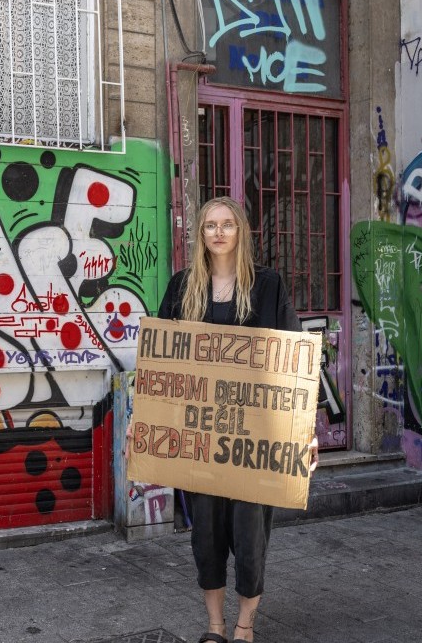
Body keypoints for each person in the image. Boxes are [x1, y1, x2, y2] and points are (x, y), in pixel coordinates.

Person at [152, 197, 318, 643]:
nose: (219, 233)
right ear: (200, 233)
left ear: (241, 230)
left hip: (254, 439)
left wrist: (305, 431)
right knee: (205, 537)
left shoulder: (267, 285)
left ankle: (245, 626)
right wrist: (142, 420)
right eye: (210, 225)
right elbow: (161, 365)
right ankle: (215, 627)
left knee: (250, 538)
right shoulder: (182, 286)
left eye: (227, 224)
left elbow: (293, 361)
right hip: (200, 437)